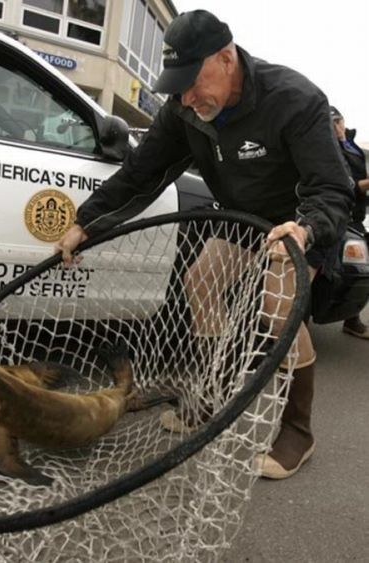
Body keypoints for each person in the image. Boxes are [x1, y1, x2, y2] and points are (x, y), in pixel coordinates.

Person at [56, 10, 353, 479]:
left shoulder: (293, 100)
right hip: (244, 219)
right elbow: (141, 172)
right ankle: (210, 396)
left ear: (226, 57)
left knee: (279, 306)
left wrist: (304, 228)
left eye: (194, 80)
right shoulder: (184, 109)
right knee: (201, 283)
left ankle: (298, 430)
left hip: (301, 222)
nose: (188, 97)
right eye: (178, 85)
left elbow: (333, 190)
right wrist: (85, 222)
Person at [330, 106, 369, 339]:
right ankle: (351, 320)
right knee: (349, 270)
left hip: (356, 215)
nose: (335, 127)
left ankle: (351, 318)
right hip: (341, 215)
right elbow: (348, 185)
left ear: (343, 121)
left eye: (337, 121)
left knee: (358, 270)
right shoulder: (331, 149)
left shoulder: (351, 144)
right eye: (330, 123)